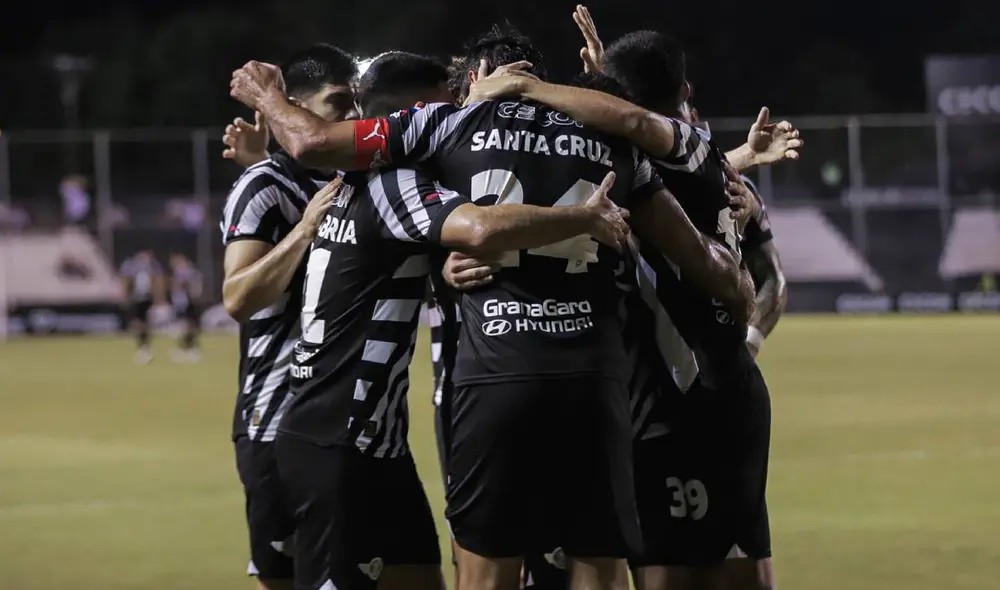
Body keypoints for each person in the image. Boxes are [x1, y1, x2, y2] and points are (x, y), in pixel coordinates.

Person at [231, 26, 754, 590]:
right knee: (599, 569)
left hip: (492, 380)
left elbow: (318, 147)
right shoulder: (609, 139)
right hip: (595, 382)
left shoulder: (442, 125)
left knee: (484, 573)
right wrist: (738, 278)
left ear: (477, 79)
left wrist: (269, 96)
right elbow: (702, 263)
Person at [276, 50, 630, 590]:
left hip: (379, 439)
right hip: (338, 433)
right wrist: (582, 216)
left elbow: (423, 240)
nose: (463, 117)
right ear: (417, 111)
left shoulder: (373, 186)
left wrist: (445, 265)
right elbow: (477, 228)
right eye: (450, 102)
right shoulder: (395, 182)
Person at [220, 43, 358, 590]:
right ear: (295, 106)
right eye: (337, 102)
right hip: (274, 420)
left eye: (356, 103)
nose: (351, 116)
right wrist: (304, 231)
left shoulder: (340, 182)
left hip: (343, 422)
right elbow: (237, 297)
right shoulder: (260, 189)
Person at [118, 250, 165, 364]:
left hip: (147, 298)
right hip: (136, 298)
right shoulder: (132, 267)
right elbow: (126, 281)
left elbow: (157, 281)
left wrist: (158, 297)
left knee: (145, 323)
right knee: (137, 322)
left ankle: (145, 346)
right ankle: (141, 345)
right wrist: (125, 295)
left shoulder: (152, 267)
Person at [167, 252, 203, 362]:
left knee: (188, 326)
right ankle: (185, 348)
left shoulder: (187, 271)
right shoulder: (179, 272)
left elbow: (189, 286)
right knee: (183, 327)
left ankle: (191, 348)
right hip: (180, 303)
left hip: (186, 302)